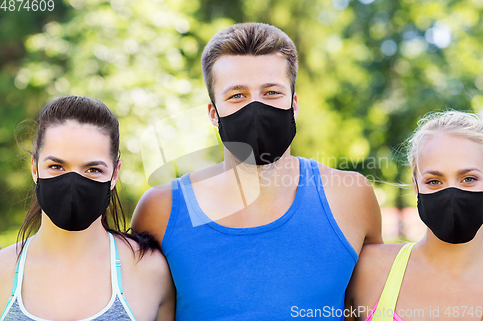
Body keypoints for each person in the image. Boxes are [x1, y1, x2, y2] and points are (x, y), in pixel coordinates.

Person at [132, 22, 382, 320]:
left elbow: (369, 306)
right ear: (214, 114)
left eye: (271, 92)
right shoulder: (161, 209)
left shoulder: (351, 196)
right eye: (237, 95)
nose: (256, 108)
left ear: (294, 103)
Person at [0, 96, 175, 321]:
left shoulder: (150, 271)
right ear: (34, 168)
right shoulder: (3, 271)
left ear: (114, 174)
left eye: (92, 170)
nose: (73, 182)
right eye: (56, 166)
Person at [346, 110, 483, 321]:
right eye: (434, 181)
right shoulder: (366, 270)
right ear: (416, 186)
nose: (452, 194)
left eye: (469, 178)